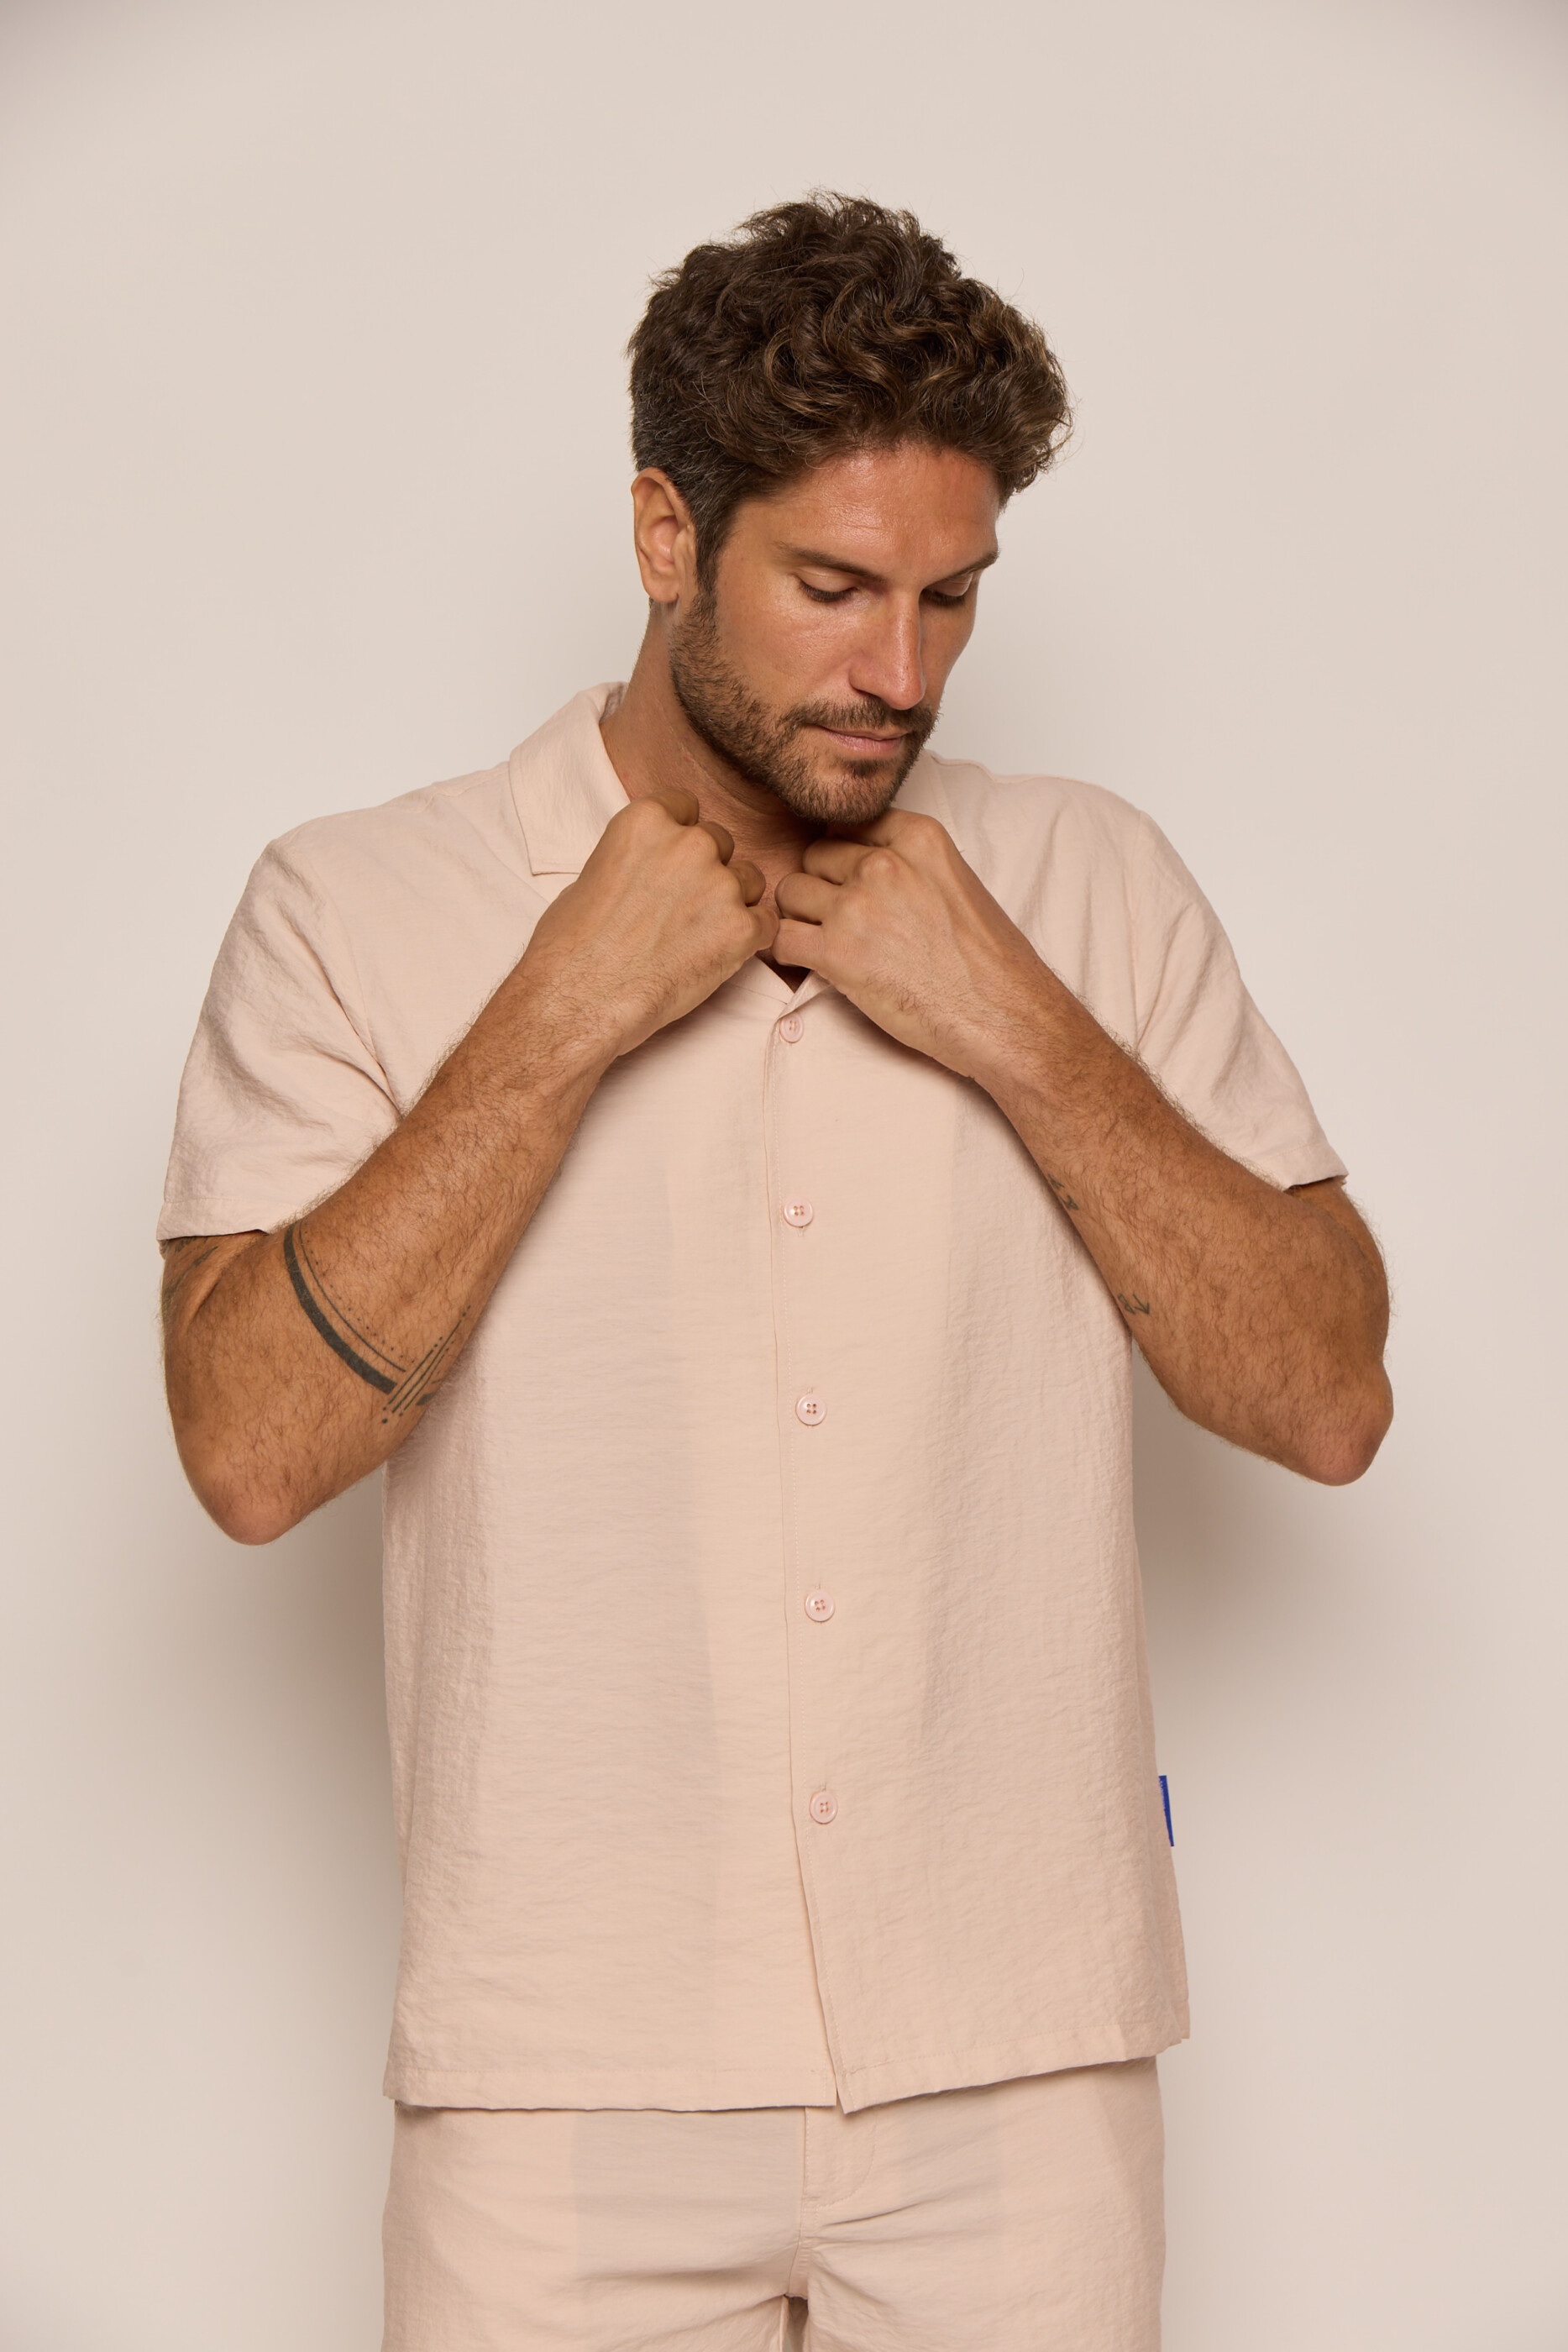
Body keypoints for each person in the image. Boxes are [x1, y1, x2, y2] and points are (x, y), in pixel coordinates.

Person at [158, 194, 1392, 2350]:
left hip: (1018, 2047)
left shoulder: (1085, 885)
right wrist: (559, 1013)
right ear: (667, 533)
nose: (898, 671)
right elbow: (249, 1449)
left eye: (950, 597)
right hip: (560, 2062)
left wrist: (1020, 1026)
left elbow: (1328, 1397)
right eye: (832, 588)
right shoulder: (358, 906)